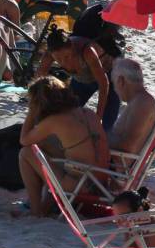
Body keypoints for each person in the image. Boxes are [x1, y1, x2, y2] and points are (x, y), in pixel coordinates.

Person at [16, 76, 111, 218]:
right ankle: (46, 206)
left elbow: (24, 140)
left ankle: (36, 210)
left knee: (26, 153)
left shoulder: (55, 120)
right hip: (104, 183)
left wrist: (32, 110)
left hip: (81, 186)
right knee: (51, 154)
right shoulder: (88, 113)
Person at [38, 28, 120, 131]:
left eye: (67, 57)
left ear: (72, 48)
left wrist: (98, 117)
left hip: (109, 75)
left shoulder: (87, 51)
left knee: (105, 127)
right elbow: (38, 83)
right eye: (58, 59)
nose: (64, 62)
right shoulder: (49, 55)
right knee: (64, 116)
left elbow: (104, 84)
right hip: (82, 80)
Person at [108, 58, 155, 155]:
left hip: (114, 166)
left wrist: (99, 140)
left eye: (113, 83)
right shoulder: (141, 101)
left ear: (121, 81)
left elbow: (129, 146)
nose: (114, 89)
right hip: (115, 161)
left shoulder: (142, 103)